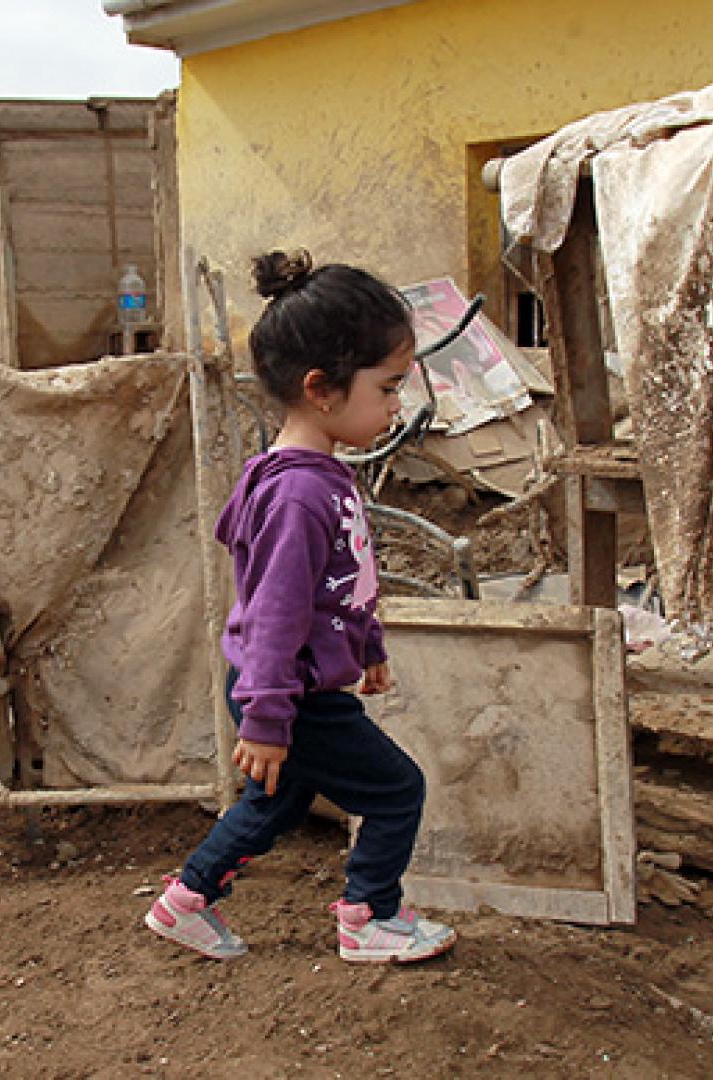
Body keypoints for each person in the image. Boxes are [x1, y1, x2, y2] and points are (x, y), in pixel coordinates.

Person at [144, 250, 456, 965]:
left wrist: (368, 646)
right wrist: (268, 719)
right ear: (321, 389)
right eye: (388, 387)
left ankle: (184, 903)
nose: (396, 406)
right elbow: (276, 615)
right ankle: (369, 916)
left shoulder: (314, 477)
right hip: (289, 693)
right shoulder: (299, 494)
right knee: (397, 789)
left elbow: (337, 585)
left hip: (288, 687)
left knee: (273, 805)